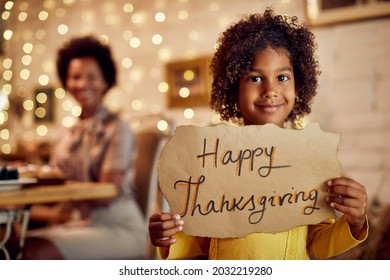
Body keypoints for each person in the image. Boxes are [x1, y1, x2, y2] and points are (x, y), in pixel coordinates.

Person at [149, 8, 369, 260]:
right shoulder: (214, 160)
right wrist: (167, 239)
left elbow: (315, 244)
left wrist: (355, 222)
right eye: (254, 78)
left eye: (282, 77)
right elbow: (200, 238)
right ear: (233, 88)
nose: (270, 90)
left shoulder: (309, 161)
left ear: (299, 87)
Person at [20, 35, 147, 259]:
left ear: (105, 81)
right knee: (16, 245)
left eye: (91, 76)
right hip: (78, 223)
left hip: (119, 228)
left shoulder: (117, 128)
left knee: (34, 252)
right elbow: (52, 182)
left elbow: (107, 193)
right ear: (66, 82)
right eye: (75, 77)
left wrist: (60, 185)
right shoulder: (65, 133)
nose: (82, 84)